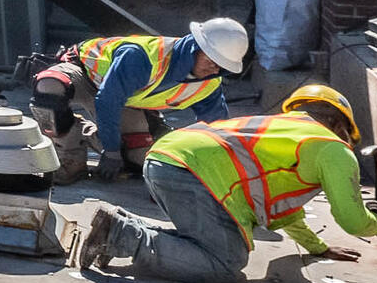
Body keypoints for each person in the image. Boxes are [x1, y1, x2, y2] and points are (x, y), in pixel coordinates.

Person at [72, 83, 377, 283]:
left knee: (208, 240)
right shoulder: (333, 148)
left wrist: (319, 248)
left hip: (169, 157)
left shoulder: (286, 130)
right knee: (225, 262)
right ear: (341, 125)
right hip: (191, 171)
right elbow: (352, 219)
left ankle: (121, 225)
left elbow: (287, 213)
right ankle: (122, 237)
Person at [31, 19, 249, 181]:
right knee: (49, 86)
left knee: (137, 162)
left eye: (221, 65)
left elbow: (218, 129)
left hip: (124, 99)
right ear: (195, 48)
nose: (214, 69)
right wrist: (112, 150)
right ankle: (69, 156)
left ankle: (84, 133)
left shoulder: (209, 84)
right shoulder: (142, 57)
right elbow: (107, 102)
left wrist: (230, 171)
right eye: (211, 60)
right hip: (85, 74)